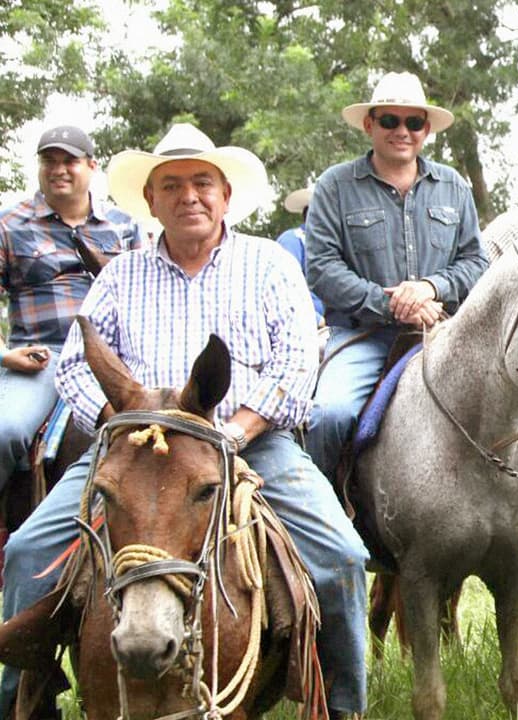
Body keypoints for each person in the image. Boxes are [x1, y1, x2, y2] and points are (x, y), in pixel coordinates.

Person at [0, 123, 370, 717]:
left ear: (226, 195)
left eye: (202, 183)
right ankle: (22, 701)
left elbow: (300, 360)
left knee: (342, 558)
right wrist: (120, 425)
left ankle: (344, 706)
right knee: (25, 554)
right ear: (151, 201)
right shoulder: (123, 274)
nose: (188, 196)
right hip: (133, 454)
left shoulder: (270, 264)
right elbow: (75, 364)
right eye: (171, 185)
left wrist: (239, 428)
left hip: (250, 444)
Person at [305, 71, 487, 485]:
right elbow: (321, 267)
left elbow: (476, 261)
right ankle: (320, 520)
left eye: (413, 122)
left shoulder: (454, 186)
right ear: (370, 124)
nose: (401, 131)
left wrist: (430, 288)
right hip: (361, 336)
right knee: (329, 415)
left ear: (426, 129)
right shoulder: (335, 185)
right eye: (390, 121)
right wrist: (390, 304)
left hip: (443, 333)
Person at [0, 125, 140, 498]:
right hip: (44, 356)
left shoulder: (124, 225)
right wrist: (5, 354)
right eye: (49, 161)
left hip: (115, 359)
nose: (58, 169)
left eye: (69, 161)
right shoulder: (9, 224)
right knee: (6, 431)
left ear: (91, 166)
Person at [276, 185, 325, 322]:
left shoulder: (332, 244)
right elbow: (283, 289)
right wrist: (315, 319)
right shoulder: (292, 240)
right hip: (306, 325)